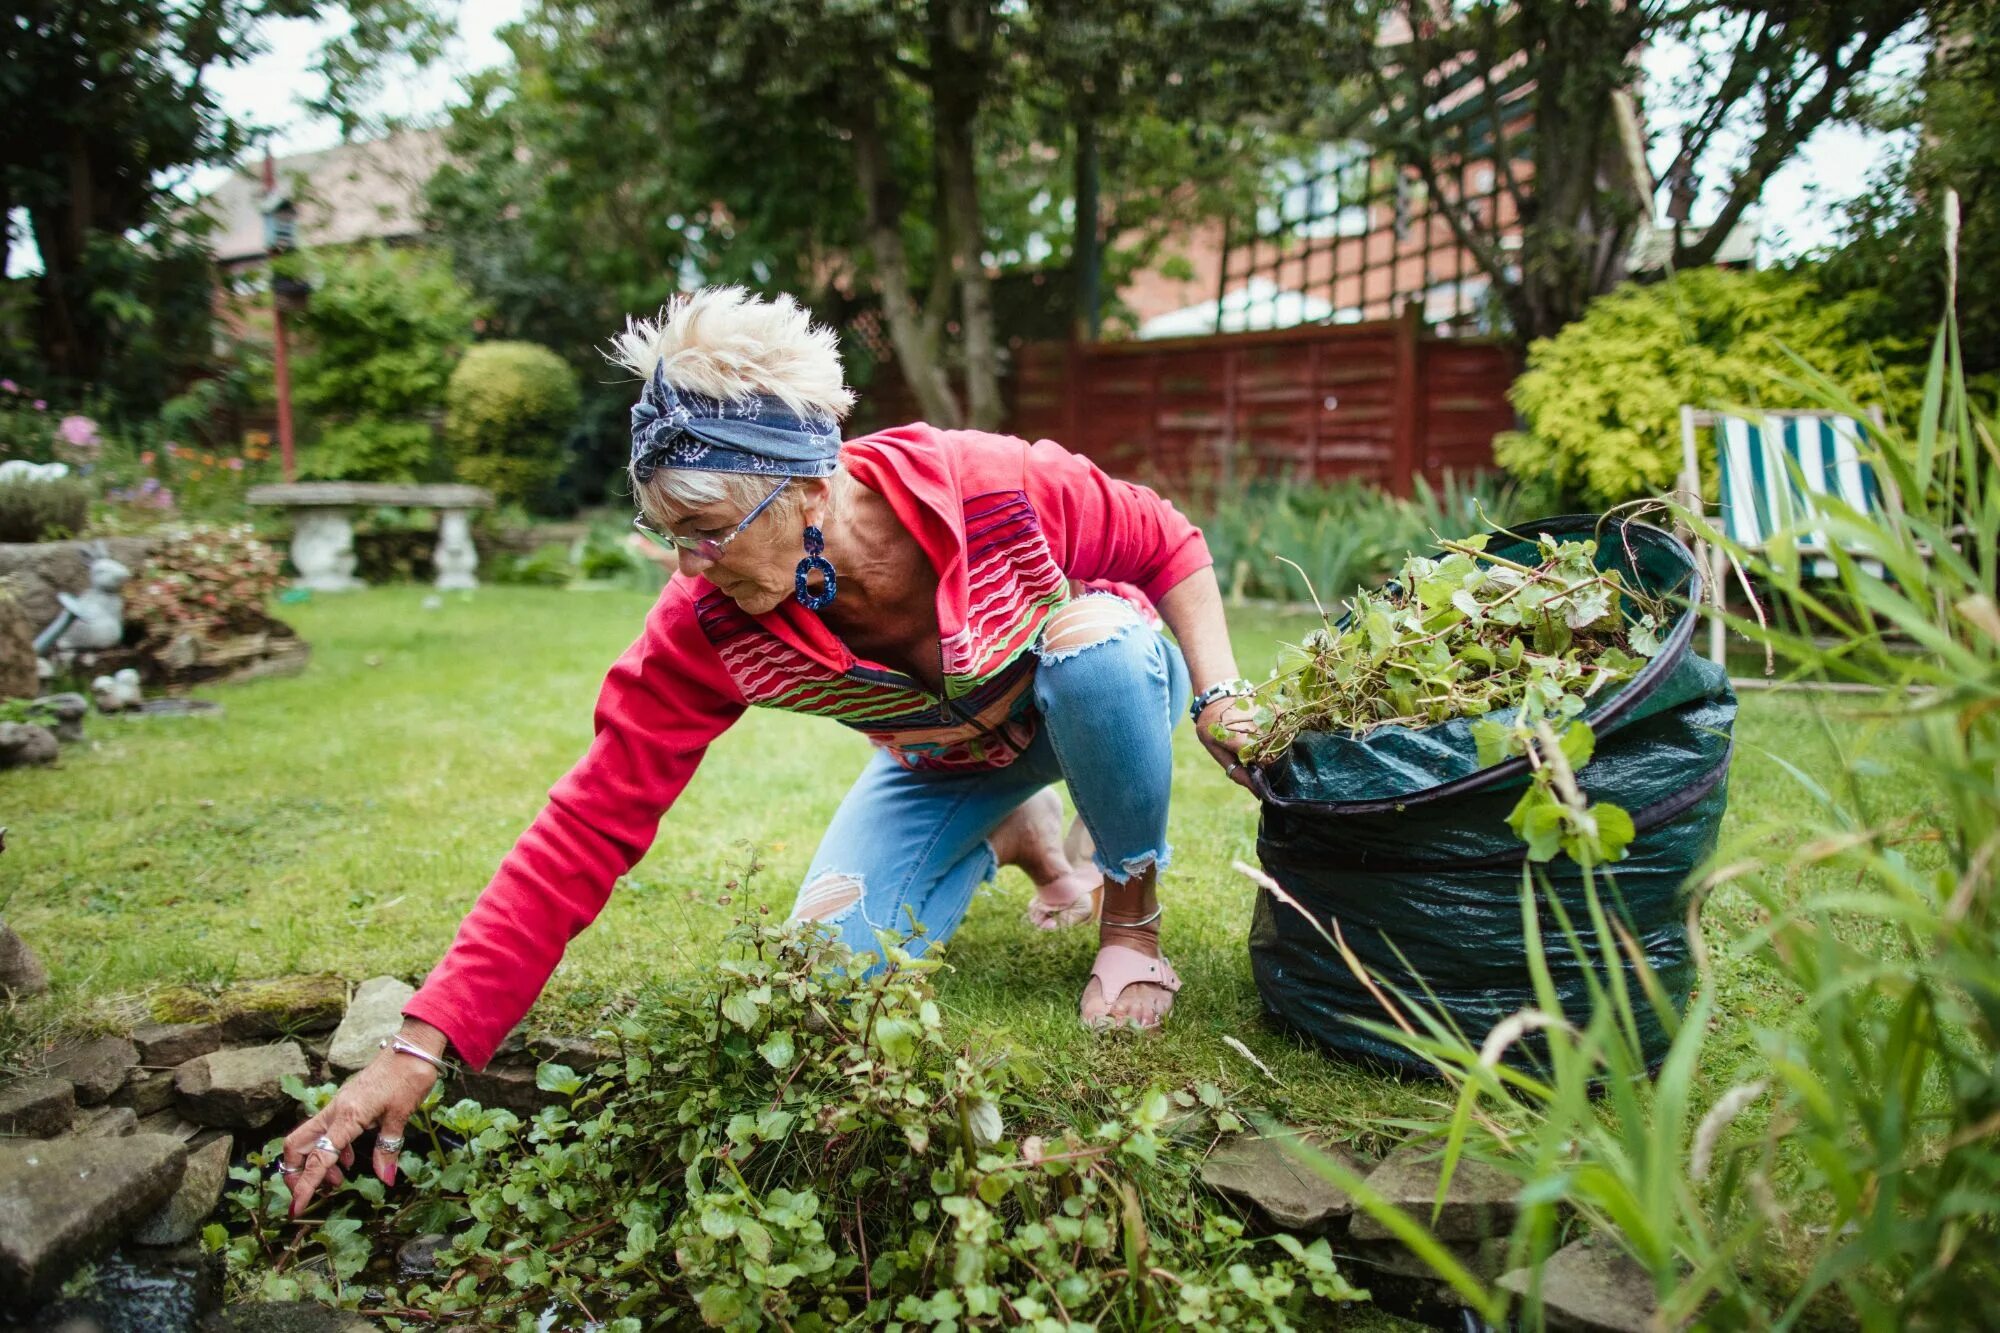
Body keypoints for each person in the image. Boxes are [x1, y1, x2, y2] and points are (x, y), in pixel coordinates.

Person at [277, 288, 1258, 1215]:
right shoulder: (705, 622)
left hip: (1089, 690)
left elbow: (1166, 543)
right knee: (820, 984)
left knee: (1102, 654)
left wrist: (1218, 695)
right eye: (666, 533)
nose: (687, 565)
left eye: (705, 530)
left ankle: (1128, 919)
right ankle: (1022, 831)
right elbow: (586, 823)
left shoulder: (986, 482)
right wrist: (421, 1043)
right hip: (946, 758)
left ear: (806, 488)